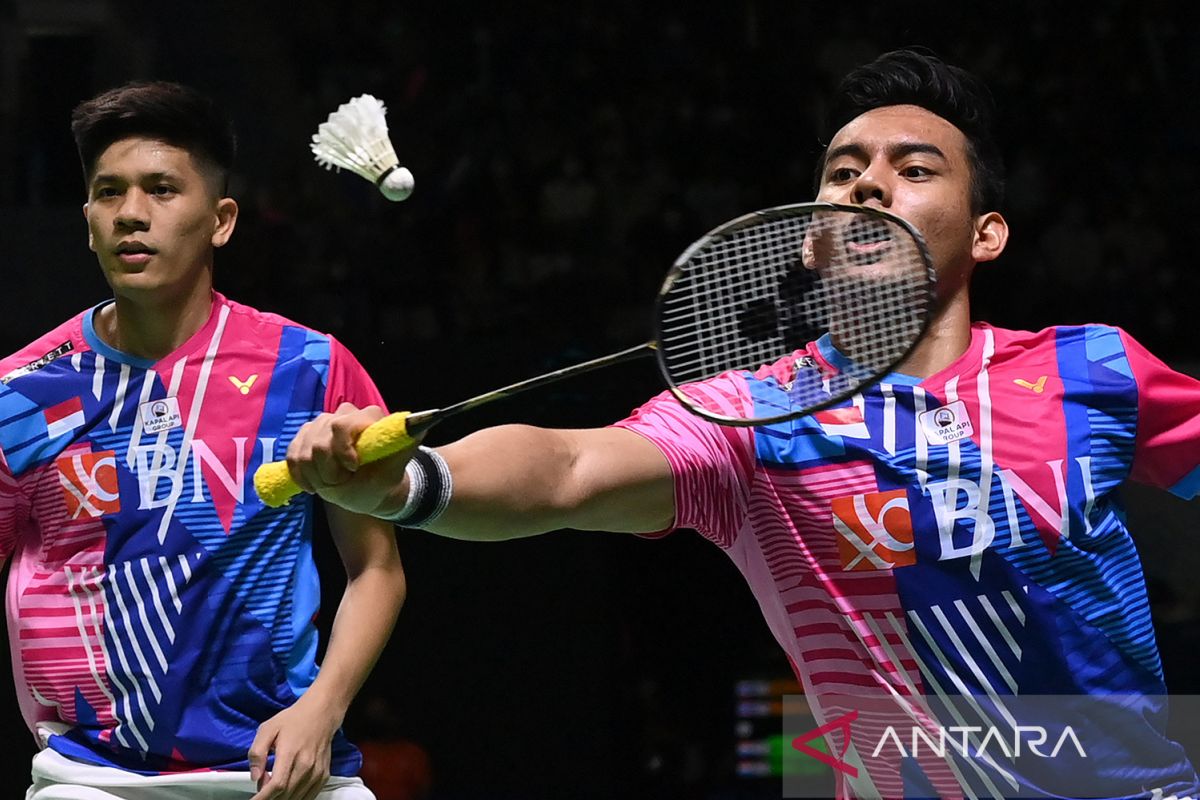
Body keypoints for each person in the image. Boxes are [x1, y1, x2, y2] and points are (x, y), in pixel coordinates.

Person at [286, 50, 1200, 798]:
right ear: (810, 236)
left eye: (913, 170)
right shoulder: (752, 421)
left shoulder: (1091, 370)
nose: (869, 186)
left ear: (986, 234)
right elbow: (565, 468)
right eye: (844, 173)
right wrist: (412, 483)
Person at [0, 82, 406, 799]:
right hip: (91, 779)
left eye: (161, 189)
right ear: (87, 219)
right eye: (108, 193)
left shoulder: (309, 368)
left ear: (220, 220)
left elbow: (376, 570)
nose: (131, 214)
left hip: (283, 765)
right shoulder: (23, 391)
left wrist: (324, 708)